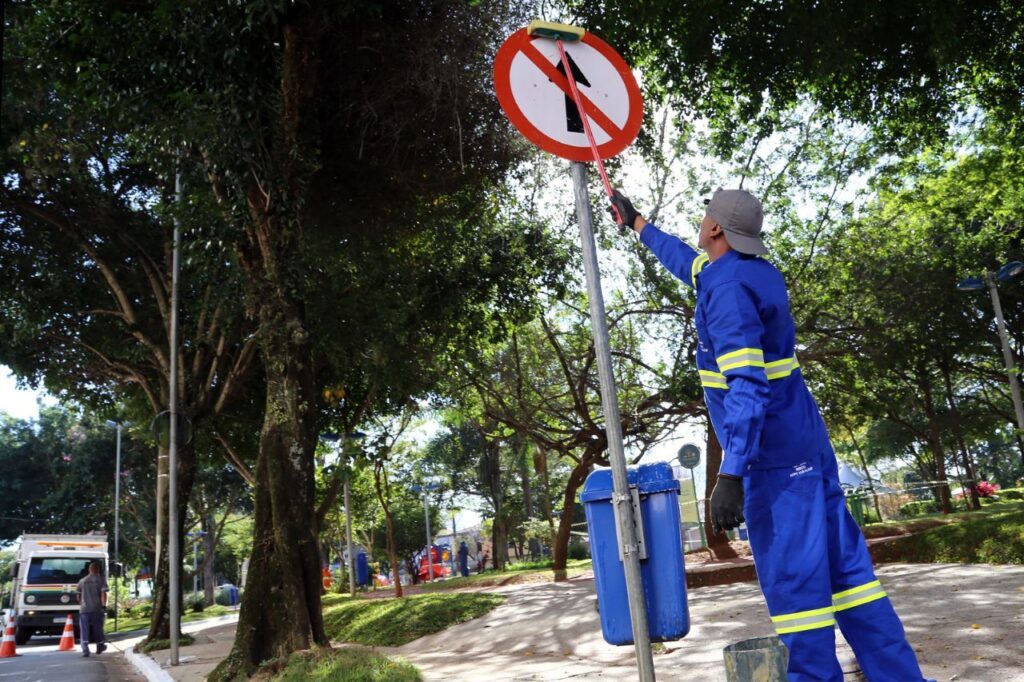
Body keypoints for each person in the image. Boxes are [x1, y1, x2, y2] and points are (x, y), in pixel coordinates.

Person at [610, 188, 931, 682]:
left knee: (797, 593)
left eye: (705, 216)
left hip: (776, 466)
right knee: (852, 583)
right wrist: (638, 226)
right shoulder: (748, 273)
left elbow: (747, 387)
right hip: (807, 451)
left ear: (716, 229)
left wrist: (731, 471)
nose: (700, 222)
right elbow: (687, 263)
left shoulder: (727, 292)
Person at [75, 560, 108, 657]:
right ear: (97, 569)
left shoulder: (82, 581)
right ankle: (100, 647)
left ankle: (85, 649)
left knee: (84, 629)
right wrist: (103, 605)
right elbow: (103, 594)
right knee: (98, 628)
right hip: (97, 609)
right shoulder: (101, 580)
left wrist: (82, 604)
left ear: (89, 569)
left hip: (84, 610)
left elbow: (78, 597)